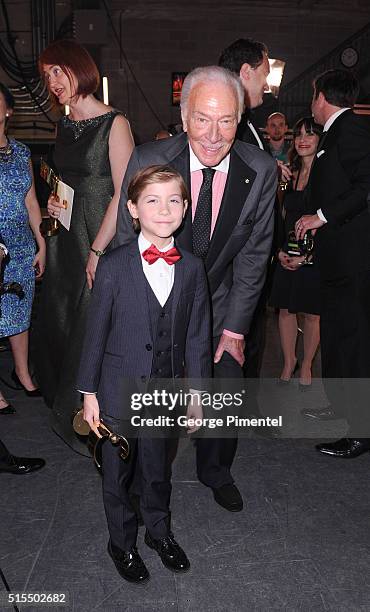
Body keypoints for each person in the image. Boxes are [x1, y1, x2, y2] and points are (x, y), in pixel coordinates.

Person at [114, 66, 277, 512]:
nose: (213, 133)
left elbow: (253, 255)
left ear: (239, 120)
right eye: (202, 119)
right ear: (184, 118)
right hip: (157, 306)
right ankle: (139, 482)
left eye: (226, 120)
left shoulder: (259, 170)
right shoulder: (149, 160)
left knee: (225, 393)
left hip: (222, 304)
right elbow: (127, 245)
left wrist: (235, 330)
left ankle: (215, 471)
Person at [78, 165, 211, 583]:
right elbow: (95, 332)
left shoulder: (192, 268)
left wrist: (196, 395)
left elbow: (197, 339)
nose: (164, 208)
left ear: (186, 208)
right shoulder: (114, 265)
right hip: (116, 391)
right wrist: (88, 391)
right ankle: (121, 542)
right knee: (117, 473)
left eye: (174, 199)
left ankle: (159, 532)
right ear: (133, 208)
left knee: (157, 469)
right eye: (152, 200)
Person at [34, 40, 134, 452]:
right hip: (66, 242)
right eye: (47, 76)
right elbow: (62, 181)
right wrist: (52, 200)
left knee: (94, 328)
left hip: (100, 238)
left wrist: (97, 250)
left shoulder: (116, 124)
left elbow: (123, 193)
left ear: (80, 69)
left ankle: (99, 421)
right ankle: (70, 410)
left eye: (59, 71)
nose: (53, 82)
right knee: (61, 321)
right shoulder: (63, 125)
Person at [295, 69, 370, 457]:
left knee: (352, 342)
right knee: (339, 339)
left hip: (354, 261)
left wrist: (321, 216)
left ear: (322, 96)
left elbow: (366, 185)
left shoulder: (351, 129)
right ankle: (342, 407)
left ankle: (360, 430)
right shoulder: (335, 134)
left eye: (312, 96)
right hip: (337, 260)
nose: (311, 104)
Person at [218, 39, 290, 384]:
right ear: (245, 71)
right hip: (237, 260)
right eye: (263, 73)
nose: (266, 83)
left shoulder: (246, 126)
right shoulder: (232, 128)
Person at [0, 83, 45, 409]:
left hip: (21, 246)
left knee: (20, 309)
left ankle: (22, 372)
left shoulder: (22, 151)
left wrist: (40, 242)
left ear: (8, 111)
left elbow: (31, 201)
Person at [270, 117, 322, 387]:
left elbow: (332, 222)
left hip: (314, 254)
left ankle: (307, 365)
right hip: (286, 251)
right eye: (299, 135)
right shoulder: (288, 174)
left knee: (312, 314)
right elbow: (277, 211)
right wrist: (278, 250)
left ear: (320, 140)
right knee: (286, 311)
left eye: (309, 135)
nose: (302, 140)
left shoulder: (326, 176)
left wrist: (309, 257)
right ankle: (290, 362)